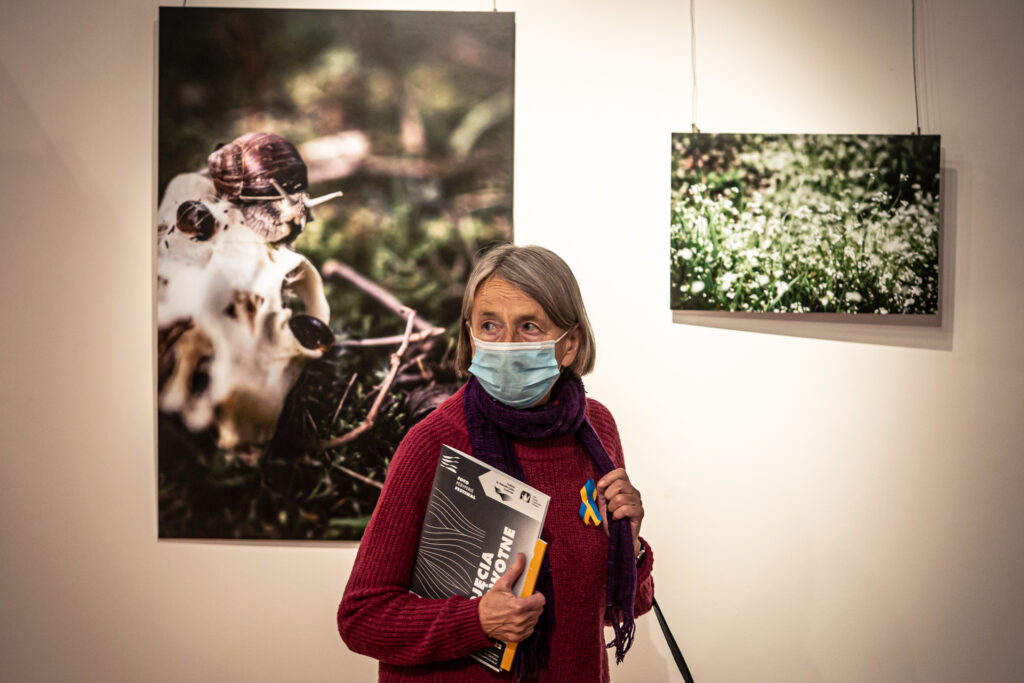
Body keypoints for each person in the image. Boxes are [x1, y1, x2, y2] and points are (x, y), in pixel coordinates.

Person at [337, 244, 654, 682]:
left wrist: (628, 544)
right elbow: (362, 617)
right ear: (469, 335)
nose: (505, 345)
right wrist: (478, 622)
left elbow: (618, 608)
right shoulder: (433, 443)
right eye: (489, 325)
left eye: (528, 326)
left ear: (570, 344)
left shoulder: (596, 429)